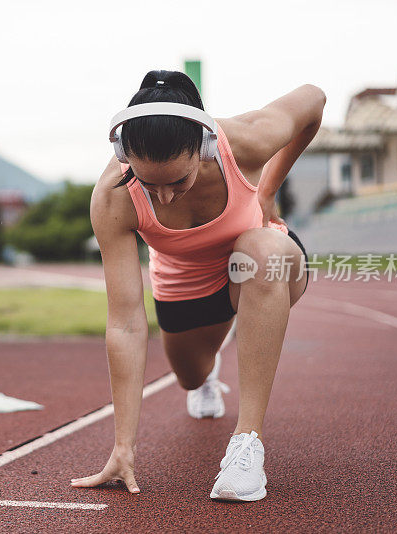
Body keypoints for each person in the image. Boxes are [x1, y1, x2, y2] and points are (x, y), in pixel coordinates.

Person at [71, 70, 325, 501]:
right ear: (125, 157)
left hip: (260, 265)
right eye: (149, 184)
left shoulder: (246, 140)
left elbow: (313, 100)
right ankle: (208, 377)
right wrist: (123, 446)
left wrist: (267, 190)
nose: (165, 197)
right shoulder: (113, 197)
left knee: (260, 248)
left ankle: (247, 445)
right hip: (183, 281)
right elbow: (127, 323)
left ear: (205, 148)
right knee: (190, 376)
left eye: (178, 181)